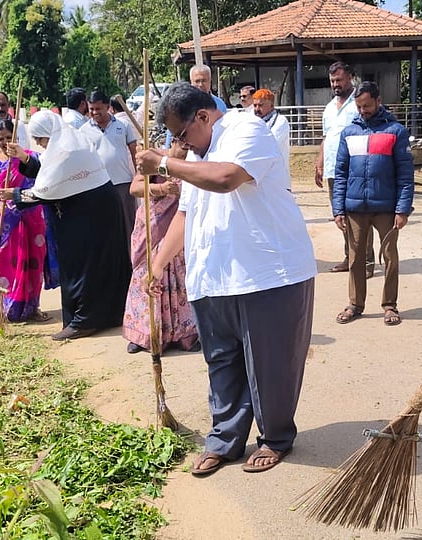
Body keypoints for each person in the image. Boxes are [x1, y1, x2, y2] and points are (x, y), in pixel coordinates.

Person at [135, 82, 316, 476]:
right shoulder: (199, 153)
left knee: (271, 364)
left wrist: (164, 163)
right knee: (221, 363)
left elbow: (226, 178)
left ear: (203, 115)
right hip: (213, 277)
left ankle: (275, 437)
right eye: (173, 139)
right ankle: (225, 439)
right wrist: (159, 262)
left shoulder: (246, 130)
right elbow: (186, 212)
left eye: (182, 135)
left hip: (266, 274)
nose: (180, 144)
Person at [5, 110, 131, 340]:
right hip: (89, 210)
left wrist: (15, 195)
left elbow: (47, 189)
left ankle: (84, 320)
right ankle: (105, 315)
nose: (42, 146)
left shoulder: (68, 149)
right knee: (97, 262)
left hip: (92, 214)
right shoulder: (66, 142)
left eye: (42, 140)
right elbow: (47, 169)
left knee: (85, 265)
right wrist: (24, 158)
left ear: (49, 134)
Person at [331, 81, 413, 327]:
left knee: (389, 256)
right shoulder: (348, 133)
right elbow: (341, 173)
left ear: (378, 101)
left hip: (386, 207)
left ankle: (390, 305)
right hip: (355, 208)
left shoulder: (396, 131)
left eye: (367, 105)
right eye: (359, 106)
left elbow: (405, 175)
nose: (363, 110)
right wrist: (338, 208)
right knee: (355, 258)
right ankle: (355, 304)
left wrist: (403, 209)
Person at [121, 143, 199, 355]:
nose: (184, 148)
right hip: (151, 228)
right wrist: (161, 189)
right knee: (144, 277)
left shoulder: (194, 164)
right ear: (172, 140)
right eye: (179, 142)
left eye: (187, 145)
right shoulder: (155, 158)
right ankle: (144, 335)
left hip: (178, 233)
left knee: (179, 280)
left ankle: (183, 334)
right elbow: (135, 188)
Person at [0, 117, 55, 322]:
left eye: (8, 137)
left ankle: (32, 306)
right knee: (7, 263)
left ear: (16, 137)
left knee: (34, 262)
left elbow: (43, 181)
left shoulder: (29, 157)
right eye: (0, 138)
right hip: (4, 221)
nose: (4, 142)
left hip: (32, 219)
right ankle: (9, 308)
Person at [315, 61, 373, 275]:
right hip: (333, 170)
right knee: (341, 216)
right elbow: (326, 137)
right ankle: (350, 258)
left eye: (339, 80)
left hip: (355, 170)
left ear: (350, 77)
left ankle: (366, 262)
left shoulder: (358, 104)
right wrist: (319, 162)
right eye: (332, 81)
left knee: (359, 216)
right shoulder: (330, 108)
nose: (335, 84)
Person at [82, 90, 140, 235]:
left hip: (123, 184)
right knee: (105, 227)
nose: (95, 112)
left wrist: (139, 176)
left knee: (129, 225)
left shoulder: (123, 125)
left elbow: (135, 153)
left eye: (98, 109)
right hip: (99, 186)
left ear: (108, 107)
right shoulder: (83, 131)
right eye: (91, 109)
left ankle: (131, 257)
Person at [252, 88, 289, 163]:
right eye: (255, 105)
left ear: (271, 106)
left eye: (260, 105)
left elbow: (270, 143)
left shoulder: (280, 121)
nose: (257, 109)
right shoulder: (253, 120)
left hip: (276, 170)